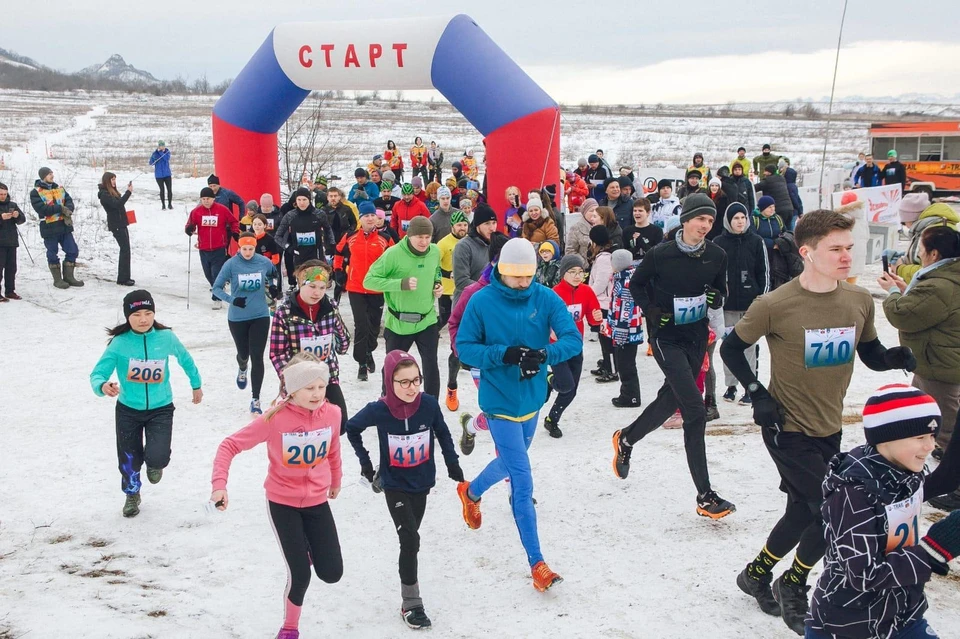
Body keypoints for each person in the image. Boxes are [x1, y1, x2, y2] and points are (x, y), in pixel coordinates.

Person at [719, 209, 918, 634]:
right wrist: (758, 395)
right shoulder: (774, 304)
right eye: (836, 249)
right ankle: (793, 583)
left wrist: (893, 359)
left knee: (801, 509)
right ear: (807, 253)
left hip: (829, 425)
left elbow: (869, 354)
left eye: (850, 248)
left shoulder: (858, 300)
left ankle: (755, 574)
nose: (847, 257)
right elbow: (731, 350)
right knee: (827, 508)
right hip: (786, 427)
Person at [455, 238, 581, 591]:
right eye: (516, 277)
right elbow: (464, 348)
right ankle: (537, 562)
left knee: (514, 462)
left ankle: (471, 492)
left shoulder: (544, 297)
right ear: (501, 271)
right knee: (522, 482)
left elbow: (573, 339)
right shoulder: (480, 300)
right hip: (498, 399)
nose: (523, 283)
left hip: (533, 398)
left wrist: (544, 355)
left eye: (528, 276)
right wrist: (505, 355)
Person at [612, 193, 735, 519]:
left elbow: (722, 290)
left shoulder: (717, 255)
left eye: (710, 220)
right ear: (685, 220)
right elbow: (636, 285)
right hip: (666, 337)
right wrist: (652, 311)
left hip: (696, 337)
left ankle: (626, 439)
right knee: (694, 409)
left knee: (670, 401)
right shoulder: (660, 254)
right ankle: (705, 496)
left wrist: (716, 295)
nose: (705, 225)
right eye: (700, 219)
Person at [806, 384, 959, 639]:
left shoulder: (906, 472)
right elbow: (864, 574)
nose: (930, 446)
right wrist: (931, 552)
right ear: (886, 438)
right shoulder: (853, 494)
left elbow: (945, 479)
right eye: (920, 438)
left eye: (933, 437)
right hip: (848, 625)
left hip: (903, 614)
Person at [210, 353, 342, 639]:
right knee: (300, 576)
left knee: (332, 573)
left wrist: (335, 479)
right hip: (283, 503)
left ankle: (305, 546)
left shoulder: (332, 413)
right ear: (292, 389)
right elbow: (229, 445)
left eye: (321, 387)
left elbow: (333, 449)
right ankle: (290, 628)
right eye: (309, 388)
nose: (317, 394)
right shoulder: (274, 419)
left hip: (317, 501)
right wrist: (219, 485)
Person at [345, 350, 462, 630]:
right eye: (403, 382)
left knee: (412, 537)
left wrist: (452, 464)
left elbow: (443, 433)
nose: (411, 388)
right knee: (409, 539)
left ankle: (409, 594)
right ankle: (412, 603)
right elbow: (351, 428)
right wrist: (366, 463)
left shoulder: (429, 405)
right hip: (394, 484)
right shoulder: (379, 410)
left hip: (421, 482)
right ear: (390, 382)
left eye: (416, 380)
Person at [90, 290, 202, 517]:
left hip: (161, 409)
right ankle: (132, 494)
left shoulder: (166, 337)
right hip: (128, 410)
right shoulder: (119, 343)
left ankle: (155, 463)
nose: (143, 319)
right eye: (137, 314)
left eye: (148, 313)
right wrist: (102, 386)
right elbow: (98, 373)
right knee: (129, 458)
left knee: (157, 456)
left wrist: (196, 384)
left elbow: (185, 359)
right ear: (127, 317)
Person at [880, 226, 960, 511]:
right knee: (929, 418)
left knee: (949, 427)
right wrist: (905, 290)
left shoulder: (939, 284)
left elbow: (904, 315)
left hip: (940, 367)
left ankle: (956, 488)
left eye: (921, 249)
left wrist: (891, 293)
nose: (917, 254)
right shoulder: (945, 276)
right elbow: (924, 307)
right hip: (937, 361)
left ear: (934, 253)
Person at [364, 216, 443, 398]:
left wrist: (437, 284)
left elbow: (436, 270)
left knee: (431, 366)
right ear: (409, 235)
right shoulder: (393, 254)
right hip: (399, 323)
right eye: (419, 237)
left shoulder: (434, 251)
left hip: (427, 320)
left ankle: (431, 408)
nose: (424, 242)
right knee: (393, 368)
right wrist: (400, 284)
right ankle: (388, 402)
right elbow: (369, 281)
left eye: (427, 237)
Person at [270, 261, 350, 435]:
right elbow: (277, 353)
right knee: (302, 428)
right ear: (300, 284)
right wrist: (290, 379)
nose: (317, 292)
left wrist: (342, 343)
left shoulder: (330, 307)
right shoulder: (284, 312)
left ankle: (326, 458)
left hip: (326, 376)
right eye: (312, 286)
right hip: (299, 381)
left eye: (322, 287)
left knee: (340, 423)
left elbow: (342, 336)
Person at [213, 232, 279, 414]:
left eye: (251, 249)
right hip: (237, 317)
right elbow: (216, 288)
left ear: (255, 247)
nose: (248, 252)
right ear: (239, 248)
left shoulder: (263, 262)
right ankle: (242, 367)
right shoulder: (231, 264)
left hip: (260, 315)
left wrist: (273, 287)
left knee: (257, 356)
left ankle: (255, 399)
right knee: (244, 353)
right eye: (244, 249)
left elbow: (274, 274)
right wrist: (232, 300)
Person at [714, 202, 769, 404]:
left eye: (743, 218)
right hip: (727, 306)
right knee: (729, 346)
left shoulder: (756, 241)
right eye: (736, 218)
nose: (740, 221)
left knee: (749, 347)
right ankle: (731, 386)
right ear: (729, 220)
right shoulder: (719, 241)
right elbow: (714, 273)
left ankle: (750, 386)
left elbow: (763, 272)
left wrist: (761, 300)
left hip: (750, 305)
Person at [542, 254, 602, 437]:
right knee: (565, 385)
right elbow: (541, 319)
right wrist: (549, 328)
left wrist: (596, 317)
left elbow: (592, 318)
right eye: (572, 272)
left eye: (581, 272)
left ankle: (552, 419)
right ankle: (549, 379)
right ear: (563, 274)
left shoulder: (586, 291)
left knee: (571, 390)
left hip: (575, 347)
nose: (577, 276)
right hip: (557, 348)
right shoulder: (553, 293)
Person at [333, 201, 394, 381]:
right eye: (366, 216)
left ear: (377, 218)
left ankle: (369, 351)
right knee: (361, 325)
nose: (369, 218)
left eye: (372, 215)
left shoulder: (385, 238)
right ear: (360, 219)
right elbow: (338, 252)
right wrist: (338, 271)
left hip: (377, 288)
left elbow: (395, 258)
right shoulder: (350, 236)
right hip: (356, 287)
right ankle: (361, 362)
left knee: (374, 327)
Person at [185, 186, 240, 309]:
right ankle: (218, 288)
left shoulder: (222, 210)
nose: (206, 201)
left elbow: (233, 221)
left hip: (219, 247)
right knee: (208, 274)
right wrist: (189, 229)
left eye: (208, 198)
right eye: (203, 199)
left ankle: (217, 298)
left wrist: (235, 231)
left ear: (213, 199)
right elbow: (190, 224)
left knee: (216, 273)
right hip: (203, 248)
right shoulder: (197, 212)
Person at [604, 249, 645, 408]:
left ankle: (631, 397)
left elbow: (624, 311)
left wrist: (619, 335)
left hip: (626, 332)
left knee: (626, 365)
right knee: (626, 364)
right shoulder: (624, 278)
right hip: (628, 331)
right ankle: (628, 394)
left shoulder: (625, 283)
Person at [31, 167, 84, 289]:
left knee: (72, 250)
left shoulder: (60, 188)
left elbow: (69, 201)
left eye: (52, 173)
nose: (52, 176)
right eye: (49, 174)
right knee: (52, 253)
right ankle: (57, 280)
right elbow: (42, 209)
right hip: (49, 227)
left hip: (64, 225)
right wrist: (60, 208)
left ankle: (69, 277)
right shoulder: (36, 192)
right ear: (43, 176)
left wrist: (68, 209)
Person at [276, 187, 333, 290]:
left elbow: (328, 230)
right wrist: (289, 248)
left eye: (304, 200)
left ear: (309, 200)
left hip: (316, 256)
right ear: (295, 201)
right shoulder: (290, 215)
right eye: (299, 200)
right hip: (299, 256)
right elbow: (278, 236)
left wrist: (331, 247)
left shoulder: (319, 214)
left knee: (316, 285)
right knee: (303, 287)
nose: (301, 203)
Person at [894, 201, 959, 284]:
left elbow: (930, 270)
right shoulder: (943, 227)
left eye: (904, 222)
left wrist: (900, 268)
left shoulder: (934, 233)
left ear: (912, 219)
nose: (906, 226)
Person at [588, 225, 618, 382]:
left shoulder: (605, 258)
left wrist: (588, 294)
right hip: (601, 302)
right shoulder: (602, 256)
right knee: (602, 335)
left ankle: (612, 369)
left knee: (606, 338)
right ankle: (606, 364)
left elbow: (601, 282)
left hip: (605, 303)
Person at [98, 172, 136, 286]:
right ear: (107, 181)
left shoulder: (111, 192)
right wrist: (128, 192)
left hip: (122, 223)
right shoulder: (104, 195)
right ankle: (122, 279)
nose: (114, 181)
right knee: (124, 250)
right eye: (112, 179)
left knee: (126, 250)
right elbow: (117, 204)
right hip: (116, 225)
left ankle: (125, 277)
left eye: (115, 179)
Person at [437, 211, 468, 330]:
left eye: (465, 225)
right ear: (452, 226)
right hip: (447, 289)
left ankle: (454, 347)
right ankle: (431, 334)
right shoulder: (443, 243)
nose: (462, 228)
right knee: (445, 318)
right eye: (459, 225)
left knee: (461, 319)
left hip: (463, 289)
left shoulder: (469, 241)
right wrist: (447, 274)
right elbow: (434, 265)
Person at [0, 182, 25, 301]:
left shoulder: (13, 204)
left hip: (11, 241)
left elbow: (22, 219)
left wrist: (17, 215)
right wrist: (1, 218)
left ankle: (10, 291)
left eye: (5, 194)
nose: (3, 196)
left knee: (11, 268)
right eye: (0, 194)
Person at [149, 140, 172, 210]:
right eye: (160, 146)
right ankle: (163, 205)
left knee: (169, 190)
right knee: (162, 190)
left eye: (163, 146)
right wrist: (154, 158)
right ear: (158, 146)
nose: (161, 147)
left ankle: (170, 204)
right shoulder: (155, 153)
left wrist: (160, 152)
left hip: (167, 174)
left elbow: (166, 159)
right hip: (159, 175)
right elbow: (151, 163)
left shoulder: (167, 152)